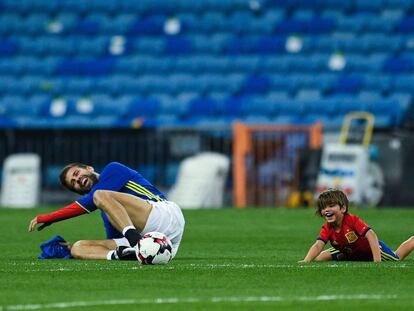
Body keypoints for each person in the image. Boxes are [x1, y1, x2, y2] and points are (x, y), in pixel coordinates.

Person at [28, 162, 185, 261]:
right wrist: (71, 247)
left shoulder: (112, 169)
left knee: (99, 195)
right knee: (78, 247)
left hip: (165, 215)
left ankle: (135, 241)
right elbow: (114, 240)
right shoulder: (107, 209)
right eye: (73, 183)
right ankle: (122, 256)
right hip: (156, 240)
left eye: (76, 174)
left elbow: (91, 200)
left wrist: (49, 217)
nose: (78, 180)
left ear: (89, 168)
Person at [301, 188, 413, 263]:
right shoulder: (327, 228)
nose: (327, 210)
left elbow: (371, 235)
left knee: (397, 257)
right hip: (349, 250)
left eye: (331, 206)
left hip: (369, 249)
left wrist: (377, 261)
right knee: (319, 258)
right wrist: (305, 262)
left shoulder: (352, 220)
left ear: (343, 208)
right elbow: (318, 245)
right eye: (323, 208)